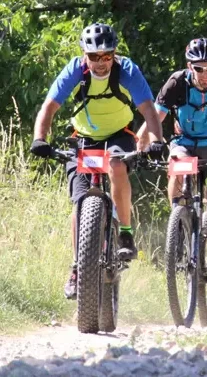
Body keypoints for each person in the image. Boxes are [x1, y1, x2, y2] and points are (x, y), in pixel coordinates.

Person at [30, 22, 165, 299]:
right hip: (83, 137)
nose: (101, 63)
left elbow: (149, 110)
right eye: (94, 57)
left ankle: (125, 232)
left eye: (107, 56)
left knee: (116, 165)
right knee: (80, 204)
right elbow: (49, 107)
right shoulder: (75, 70)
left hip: (120, 134)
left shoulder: (127, 70)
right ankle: (78, 268)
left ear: (114, 54)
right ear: (84, 54)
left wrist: (157, 141)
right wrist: (40, 139)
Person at [137, 37, 207, 307]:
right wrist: (140, 149)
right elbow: (154, 120)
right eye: (199, 69)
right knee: (177, 172)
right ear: (189, 66)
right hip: (184, 144)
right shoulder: (176, 83)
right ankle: (180, 223)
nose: (205, 75)